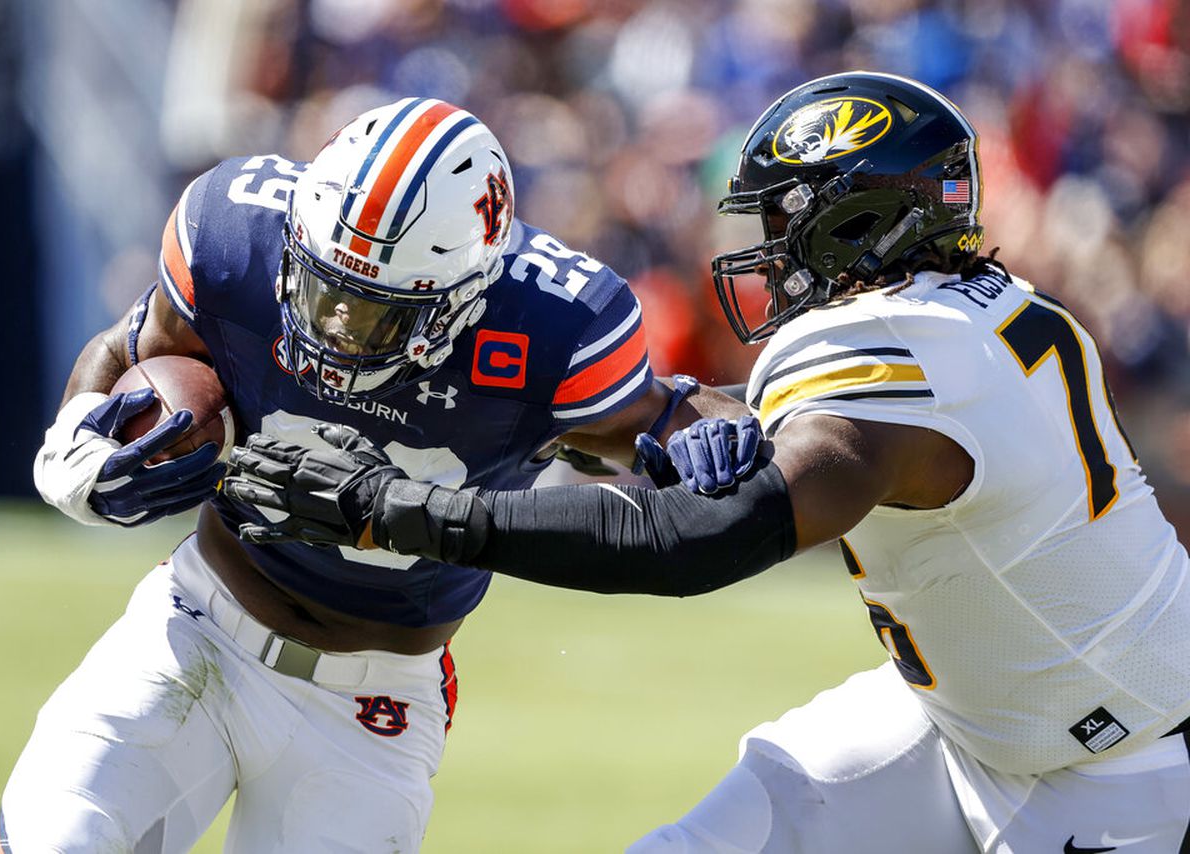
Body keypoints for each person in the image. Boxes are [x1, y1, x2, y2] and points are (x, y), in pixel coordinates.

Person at [224, 73, 1190, 852]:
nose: (762, 256)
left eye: (781, 226)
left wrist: (406, 511)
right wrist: (693, 437)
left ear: (856, 226)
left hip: (1116, 772)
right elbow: (836, 451)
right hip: (974, 716)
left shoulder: (906, 356)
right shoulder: (982, 309)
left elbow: (701, 539)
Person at [1, 98, 741, 853]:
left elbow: (661, 415)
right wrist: (75, 442)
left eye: (374, 311)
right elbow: (133, 346)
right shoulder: (235, 231)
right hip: (195, 626)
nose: (336, 328)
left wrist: (717, 434)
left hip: (374, 702)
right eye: (325, 289)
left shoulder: (554, 323)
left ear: (463, 294)